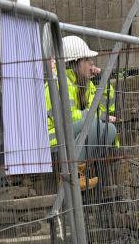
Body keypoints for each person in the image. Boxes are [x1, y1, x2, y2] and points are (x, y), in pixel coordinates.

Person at [45, 35, 117, 191]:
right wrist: (98, 117)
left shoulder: (85, 84)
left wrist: (101, 81)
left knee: (110, 130)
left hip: (71, 134)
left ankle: (81, 170)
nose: (92, 64)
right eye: (87, 60)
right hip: (54, 138)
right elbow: (68, 118)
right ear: (75, 63)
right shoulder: (58, 83)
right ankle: (71, 173)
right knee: (94, 123)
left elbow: (105, 109)